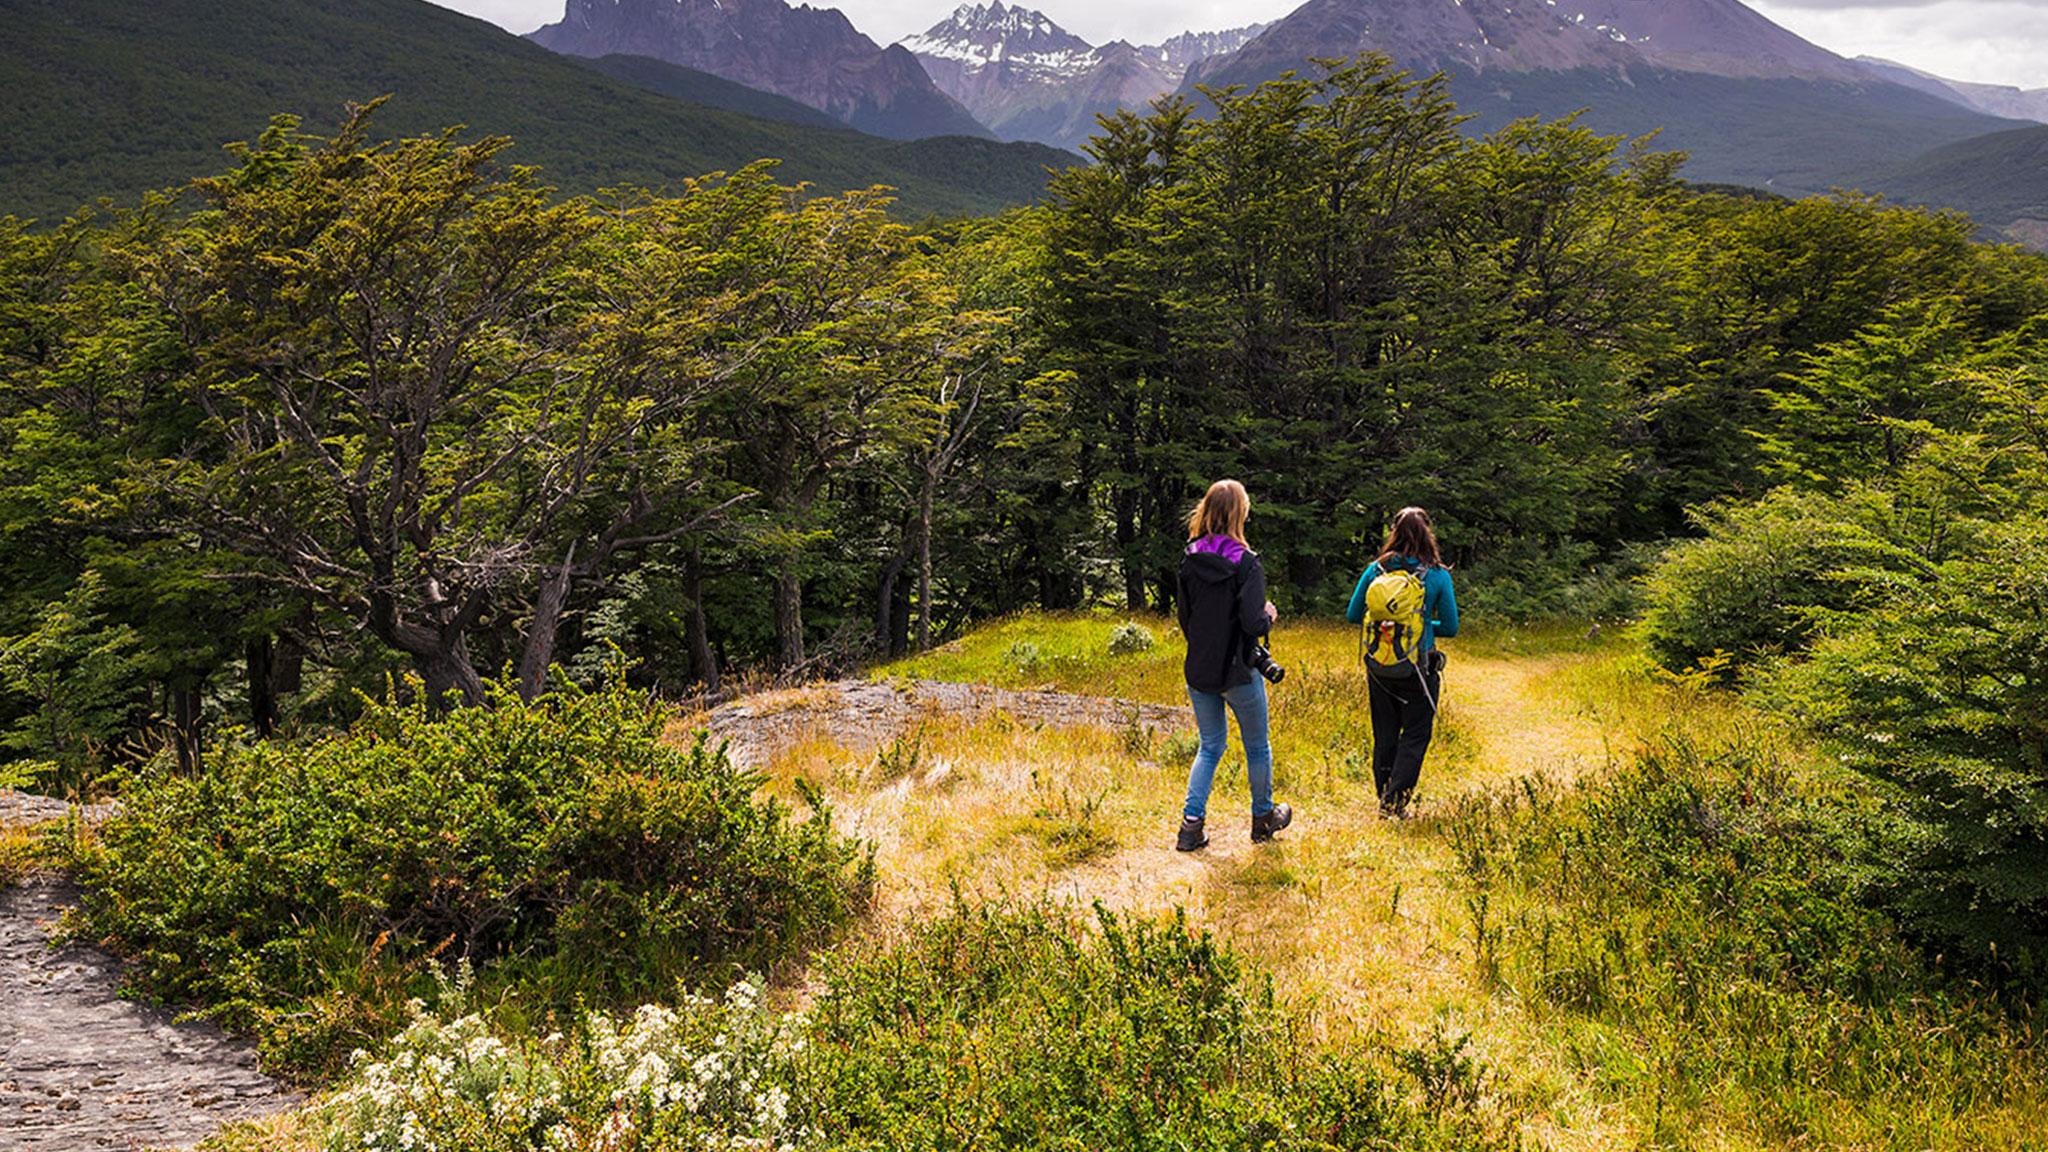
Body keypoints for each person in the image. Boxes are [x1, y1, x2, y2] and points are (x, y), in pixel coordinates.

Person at [1175, 479, 1292, 851]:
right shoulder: (1247, 563)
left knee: (1210, 746)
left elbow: (1185, 619)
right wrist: (1268, 616)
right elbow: (1251, 623)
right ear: (1240, 514)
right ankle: (1263, 819)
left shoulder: (1189, 557)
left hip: (1200, 669)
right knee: (1257, 747)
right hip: (1239, 669)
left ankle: (1190, 829)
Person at [1346, 507, 1459, 819]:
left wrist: (1390, 629)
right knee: (1416, 733)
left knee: (1384, 733)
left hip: (1379, 665)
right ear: (1428, 534)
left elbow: (1353, 615)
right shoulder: (1436, 575)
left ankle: (1384, 793)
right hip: (1418, 668)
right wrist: (1420, 626)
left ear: (1393, 532)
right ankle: (1394, 804)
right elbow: (1450, 627)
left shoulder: (1375, 571)